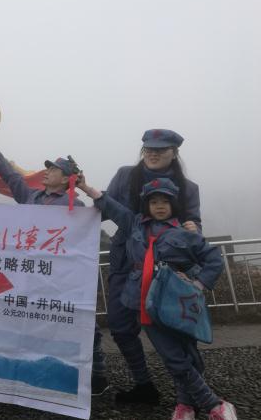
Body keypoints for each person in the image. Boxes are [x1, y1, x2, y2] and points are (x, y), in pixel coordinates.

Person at [77, 176, 237, 420]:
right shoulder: (134, 224)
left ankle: (187, 406)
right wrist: (84, 186)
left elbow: (213, 258)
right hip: (145, 305)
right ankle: (213, 406)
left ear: (174, 205)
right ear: (146, 205)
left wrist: (198, 283)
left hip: (177, 303)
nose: (159, 205)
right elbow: (109, 203)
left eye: (165, 201)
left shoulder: (185, 233)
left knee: (185, 354)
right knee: (174, 357)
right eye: (154, 201)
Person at [0, 136, 109, 396]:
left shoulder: (77, 206)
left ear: (66, 178)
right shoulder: (31, 197)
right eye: (48, 168)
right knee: (34, 323)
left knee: (82, 323)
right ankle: (41, 371)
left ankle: (98, 374)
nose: (47, 172)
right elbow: (12, 178)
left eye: (54, 169)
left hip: (64, 278)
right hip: (34, 278)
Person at [105, 129, 201, 404]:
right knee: (120, 326)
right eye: (148, 147)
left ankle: (191, 392)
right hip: (126, 263)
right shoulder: (125, 176)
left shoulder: (188, 188)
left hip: (169, 270)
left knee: (178, 330)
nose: (153, 152)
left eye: (161, 148)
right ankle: (143, 385)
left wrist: (195, 228)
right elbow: (102, 210)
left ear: (174, 152)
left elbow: (195, 224)